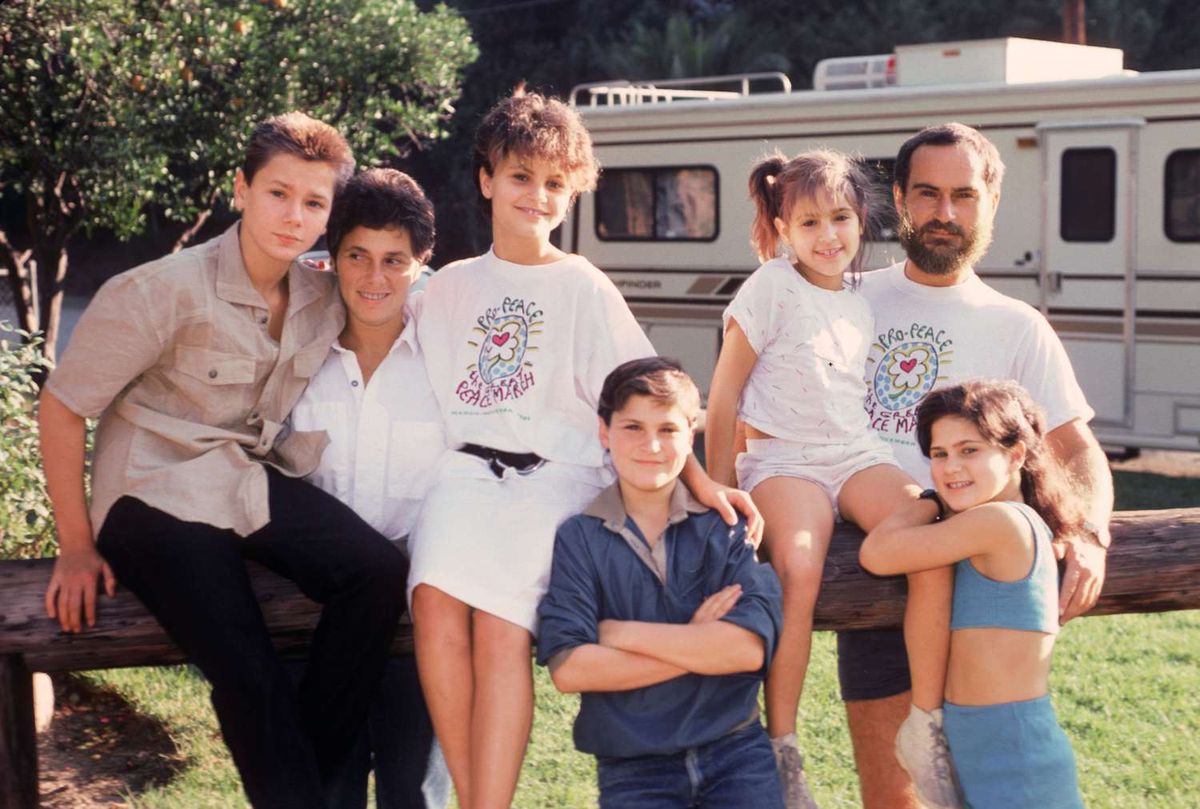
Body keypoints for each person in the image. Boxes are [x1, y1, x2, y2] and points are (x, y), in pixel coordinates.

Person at [39, 113, 410, 809]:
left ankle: (307, 779)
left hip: (239, 478)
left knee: (377, 572)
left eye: (314, 202)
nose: (293, 216)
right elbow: (62, 407)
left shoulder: (320, 293)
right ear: (240, 189)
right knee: (248, 669)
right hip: (149, 495)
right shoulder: (159, 291)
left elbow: (406, 281)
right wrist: (75, 546)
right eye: (278, 193)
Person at [407, 88, 761, 809]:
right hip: (463, 473)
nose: (537, 197)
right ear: (485, 180)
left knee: (504, 628)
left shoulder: (583, 286)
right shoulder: (444, 287)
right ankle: (469, 796)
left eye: (555, 184)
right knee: (435, 606)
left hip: (553, 476)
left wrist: (701, 479)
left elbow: (648, 389)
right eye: (520, 177)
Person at [844, 122, 1112, 809]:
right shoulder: (844, 299)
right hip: (877, 583)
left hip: (984, 593)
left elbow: (1079, 449)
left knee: (989, 784)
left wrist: (1090, 531)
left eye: (964, 195)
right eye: (928, 194)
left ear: (990, 201)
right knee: (894, 795)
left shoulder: (1017, 323)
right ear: (899, 197)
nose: (945, 213)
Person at [706, 150, 950, 808]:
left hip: (853, 453)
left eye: (840, 217)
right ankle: (781, 746)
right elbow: (723, 398)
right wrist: (716, 495)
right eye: (809, 222)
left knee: (933, 528)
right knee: (801, 563)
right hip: (783, 462)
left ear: (861, 218)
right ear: (783, 228)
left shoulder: (855, 299)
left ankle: (926, 725)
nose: (828, 235)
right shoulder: (769, 287)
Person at [537, 357, 784, 809]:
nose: (651, 444)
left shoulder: (724, 528)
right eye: (633, 426)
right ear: (604, 432)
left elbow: (745, 651)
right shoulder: (580, 537)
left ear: (691, 437)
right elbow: (571, 669)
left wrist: (617, 633)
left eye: (668, 430)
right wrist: (698, 643)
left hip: (735, 752)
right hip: (634, 766)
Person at [288, 168, 450, 808]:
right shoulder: (296, 358)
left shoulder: (450, 362)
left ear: (422, 263)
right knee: (328, 792)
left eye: (394, 261)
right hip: (313, 624)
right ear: (332, 258)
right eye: (357, 256)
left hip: (419, 628)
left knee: (416, 794)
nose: (374, 279)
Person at [860, 379, 1086, 809]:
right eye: (939, 455)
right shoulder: (988, 520)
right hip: (983, 742)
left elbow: (877, 553)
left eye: (969, 450)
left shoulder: (1001, 523)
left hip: (1017, 755)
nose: (950, 468)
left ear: (1015, 454)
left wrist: (924, 503)